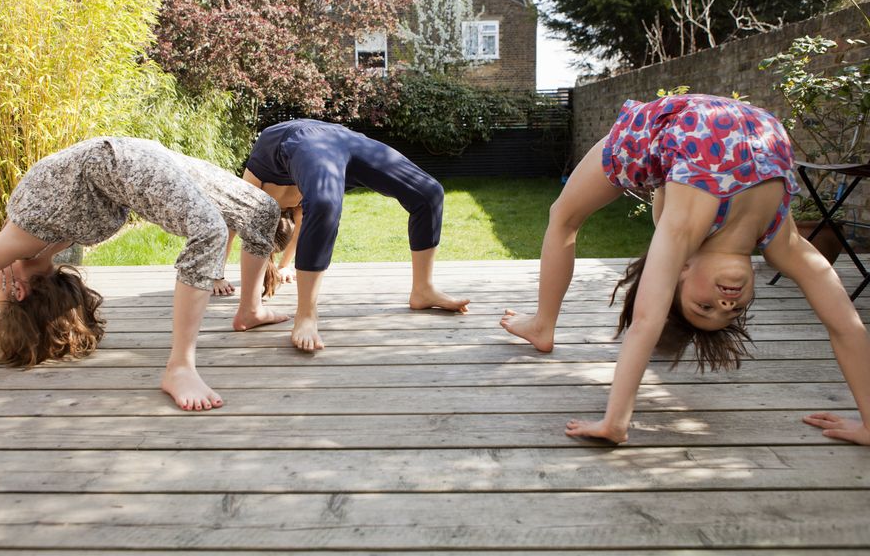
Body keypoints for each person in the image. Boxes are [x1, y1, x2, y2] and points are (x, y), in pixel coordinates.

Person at [501, 93, 870, 446]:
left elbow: (646, 320)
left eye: (703, 307)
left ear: (680, 271)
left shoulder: (684, 230)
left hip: (651, 136)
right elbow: (845, 325)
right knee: (646, 203)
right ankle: (543, 324)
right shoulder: (781, 242)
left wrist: (615, 422)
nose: (725, 305)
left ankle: (542, 325)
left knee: (563, 217)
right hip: (731, 132)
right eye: (734, 311)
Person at [0, 136, 291, 411]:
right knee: (260, 210)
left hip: (121, 157)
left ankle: (244, 315)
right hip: (130, 161)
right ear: (19, 292)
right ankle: (186, 363)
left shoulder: (16, 245)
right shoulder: (21, 249)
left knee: (233, 219)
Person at [242, 118, 470, 351]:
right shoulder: (296, 203)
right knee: (327, 203)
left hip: (311, 138)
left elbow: (237, 225)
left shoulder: (258, 192)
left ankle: (424, 289)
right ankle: (306, 315)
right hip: (333, 142)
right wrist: (281, 267)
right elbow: (301, 230)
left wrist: (222, 275)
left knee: (428, 192)